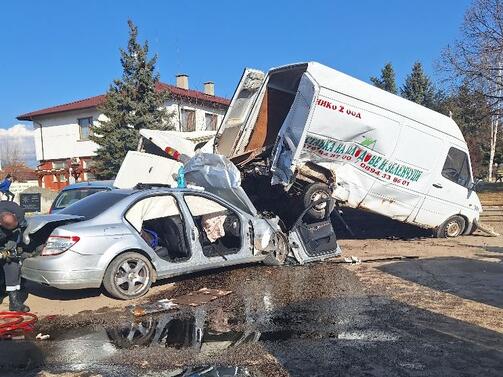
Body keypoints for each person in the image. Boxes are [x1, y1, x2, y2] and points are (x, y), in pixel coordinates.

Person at [0, 200, 30, 312]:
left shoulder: (17, 211)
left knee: (12, 264)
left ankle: (14, 302)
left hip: (11, 237)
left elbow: (20, 228)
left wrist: (12, 245)